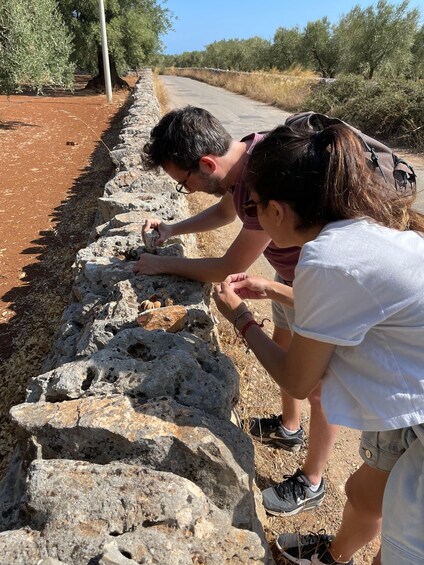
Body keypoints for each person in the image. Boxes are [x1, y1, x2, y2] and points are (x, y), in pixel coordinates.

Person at [212, 123, 424, 565]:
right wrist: (274, 291)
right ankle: (335, 557)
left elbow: (296, 376)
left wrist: (241, 318)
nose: (252, 218)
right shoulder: (359, 230)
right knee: (364, 491)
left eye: (252, 208)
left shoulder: (325, 259)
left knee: (405, 545)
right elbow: (354, 310)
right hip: (412, 391)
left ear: (276, 211)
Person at [133, 105, 338, 516]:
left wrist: (162, 263)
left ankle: (313, 480)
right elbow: (229, 210)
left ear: (207, 162)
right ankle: (289, 428)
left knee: (319, 388)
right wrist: (173, 230)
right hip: (287, 279)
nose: (187, 191)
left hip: (317, 290)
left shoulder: (264, 175)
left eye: (184, 182)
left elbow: (229, 267)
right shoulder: (250, 153)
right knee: (283, 340)